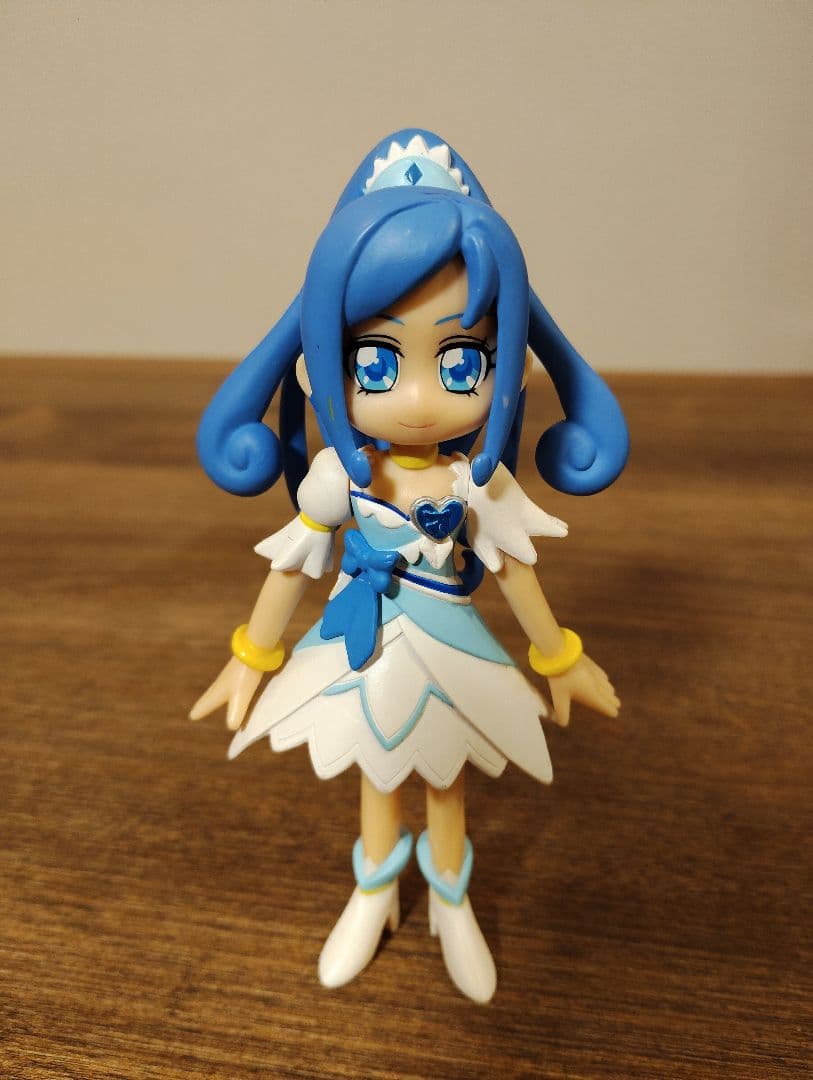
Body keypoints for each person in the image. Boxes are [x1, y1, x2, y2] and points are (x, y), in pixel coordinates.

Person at [191, 131, 628, 1003]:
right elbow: (292, 567)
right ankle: (373, 891)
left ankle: (451, 902)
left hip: (451, 650)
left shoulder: (476, 484)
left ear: (507, 367)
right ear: (319, 366)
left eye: (460, 362)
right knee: (375, 776)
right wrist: (250, 657)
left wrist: (560, 659)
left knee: (445, 778)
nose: (420, 399)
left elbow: (516, 573)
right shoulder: (337, 481)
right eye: (377, 361)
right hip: (360, 649)